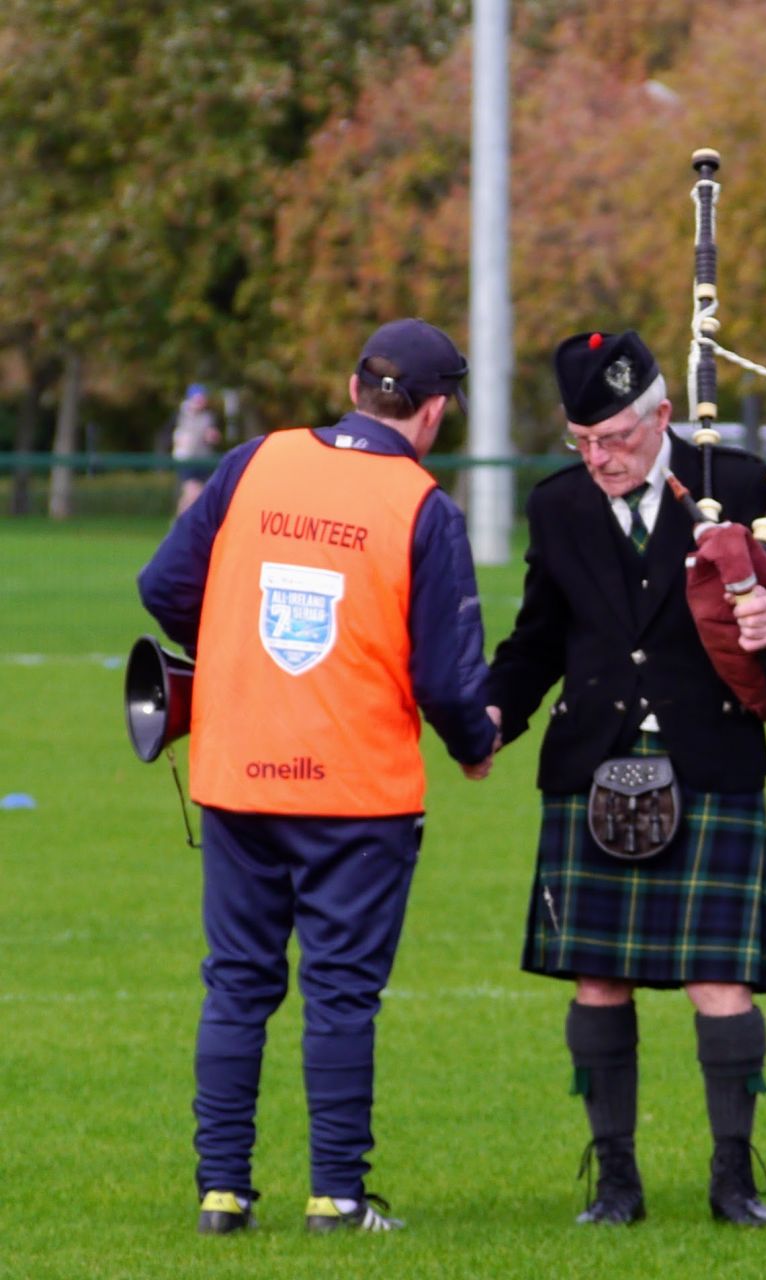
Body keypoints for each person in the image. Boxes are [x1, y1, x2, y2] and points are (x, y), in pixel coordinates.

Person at [138, 318, 497, 1236]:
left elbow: (165, 585)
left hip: (239, 772)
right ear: (435, 410)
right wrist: (474, 740)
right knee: (339, 992)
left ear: (352, 384)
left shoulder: (257, 460)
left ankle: (222, 1193)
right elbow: (449, 679)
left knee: (236, 986)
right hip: (356, 791)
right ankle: (336, 1196)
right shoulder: (423, 507)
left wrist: (222, 661)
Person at [485, 329, 766, 1229]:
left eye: (615, 437)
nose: (600, 458)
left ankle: (734, 1181)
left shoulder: (739, 483)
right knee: (597, 979)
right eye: (582, 440)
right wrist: (492, 715)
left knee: (717, 980)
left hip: (710, 758)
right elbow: (538, 639)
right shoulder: (560, 506)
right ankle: (615, 1184)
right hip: (591, 763)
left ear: (662, 416)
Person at [172, 383, 221, 515]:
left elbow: (212, 436)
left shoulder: (208, 417)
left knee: (192, 497)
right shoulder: (181, 415)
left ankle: (179, 524)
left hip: (203, 460)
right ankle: (181, 525)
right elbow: (170, 434)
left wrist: (212, 436)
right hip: (187, 460)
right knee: (193, 492)